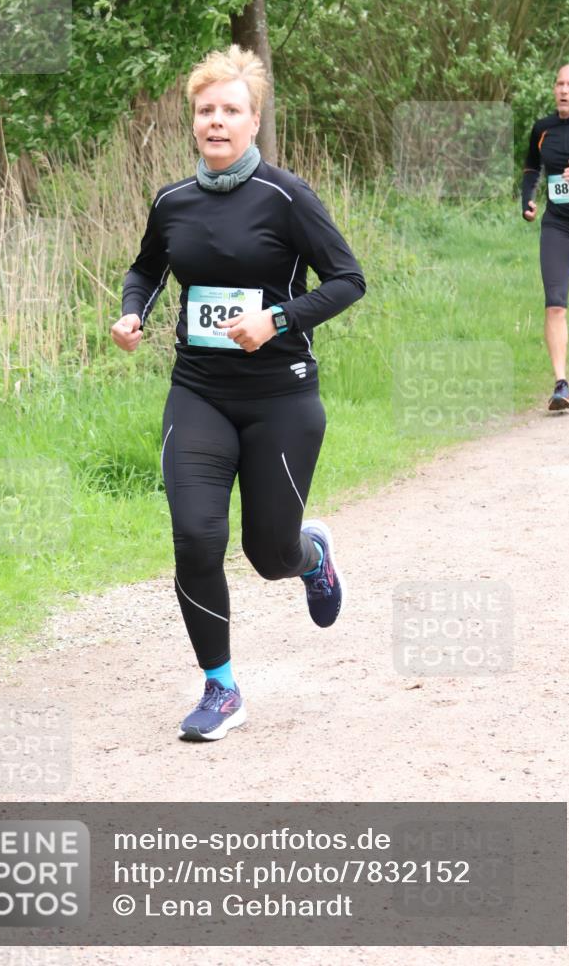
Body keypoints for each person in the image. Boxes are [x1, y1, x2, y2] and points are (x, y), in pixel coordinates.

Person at [111, 46, 365, 742]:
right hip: (197, 392)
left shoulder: (286, 197)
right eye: (205, 111)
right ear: (193, 122)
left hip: (281, 397)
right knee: (195, 537)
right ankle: (220, 688)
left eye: (230, 111)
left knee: (267, 554)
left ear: (254, 122)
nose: (215, 122)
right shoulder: (173, 201)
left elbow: (347, 280)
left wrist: (277, 319)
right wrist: (132, 312)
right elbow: (147, 269)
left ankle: (310, 555)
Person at [521, 62, 569, 410]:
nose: (563, 90)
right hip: (558, 224)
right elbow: (532, 166)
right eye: (559, 83)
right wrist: (526, 198)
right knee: (555, 304)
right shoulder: (543, 128)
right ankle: (561, 384)